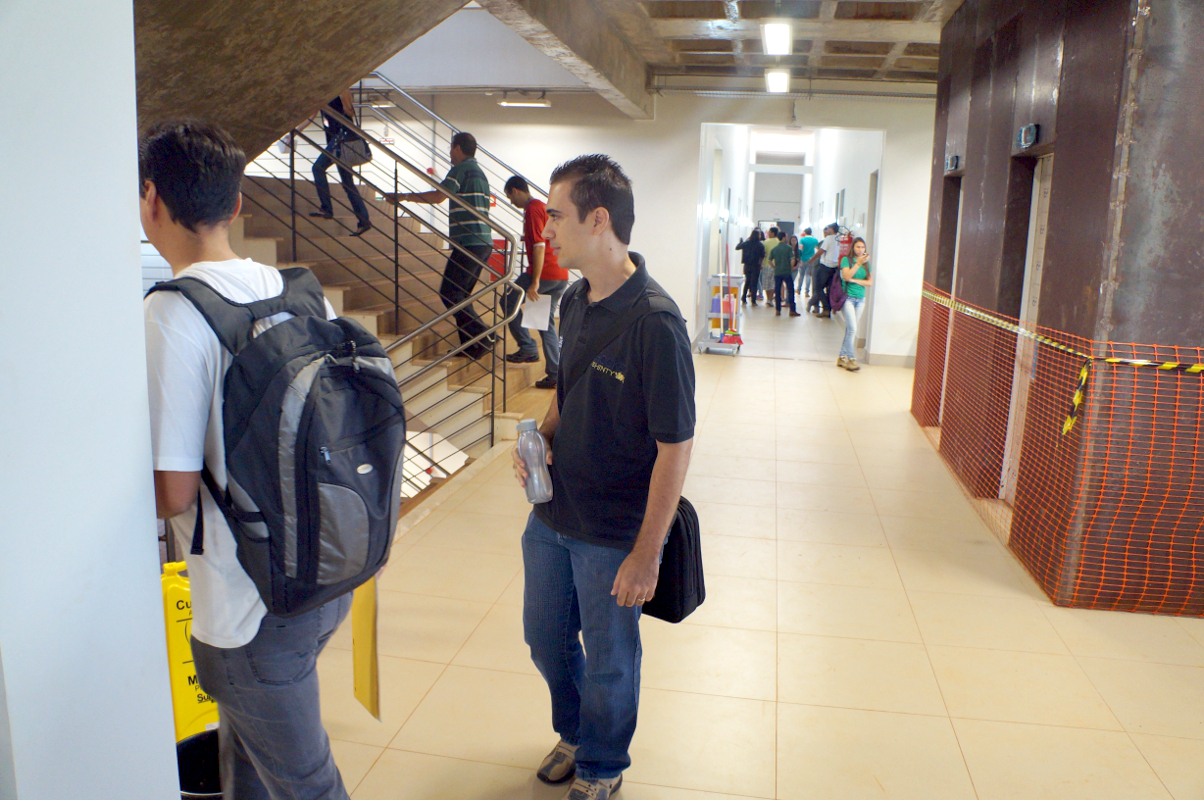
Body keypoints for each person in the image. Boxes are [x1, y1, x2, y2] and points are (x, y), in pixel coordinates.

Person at [141, 121, 351, 799]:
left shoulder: (173, 314)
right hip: (322, 573)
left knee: (306, 784)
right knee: (250, 768)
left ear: (150, 200)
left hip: (245, 607)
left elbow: (173, 493)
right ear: (237, 206)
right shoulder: (295, 288)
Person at [512, 154, 695, 800]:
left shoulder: (655, 323)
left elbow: (676, 446)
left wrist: (647, 555)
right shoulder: (572, 300)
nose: (546, 231)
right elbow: (567, 390)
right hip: (553, 514)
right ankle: (575, 730)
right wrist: (540, 436)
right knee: (544, 638)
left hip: (614, 531)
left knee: (612, 658)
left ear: (598, 220)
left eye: (555, 216)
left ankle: (602, 763)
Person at [390, 132, 494, 358]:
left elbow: (439, 196)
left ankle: (482, 337)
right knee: (460, 295)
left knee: (450, 293)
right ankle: (472, 344)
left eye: (450, 149)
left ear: (457, 148)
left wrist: (405, 197)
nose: (449, 154)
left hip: (470, 241)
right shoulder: (479, 173)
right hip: (481, 241)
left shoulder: (461, 169)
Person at [502, 175, 569, 389]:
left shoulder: (532, 209)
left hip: (544, 274)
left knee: (507, 302)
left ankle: (528, 348)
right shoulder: (543, 207)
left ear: (516, 190)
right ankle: (555, 373)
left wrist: (535, 282)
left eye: (510, 197)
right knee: (543, 323)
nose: (512, 202)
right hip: (559, 273)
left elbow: (539, 246)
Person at [310, 88, 372, 236]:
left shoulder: (341, 89)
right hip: (334, 141)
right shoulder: (322, 93)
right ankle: (364, 221)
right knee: (347, 183)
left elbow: (350, 113)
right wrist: (292, 133)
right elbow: (310, 116)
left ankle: (327, 208)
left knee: (318, 168)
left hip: (341, 139)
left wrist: (346, 105)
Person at [837, 236, 873, 371]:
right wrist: (858, 263)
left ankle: (841, 357)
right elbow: (846, 276)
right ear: (853, 248)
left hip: (861, 299)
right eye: (858, 247)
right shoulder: (847, 260)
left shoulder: (867, 264)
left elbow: (870, 283)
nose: (860, 249)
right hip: (848, 298)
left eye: (863, 247)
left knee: (850, 329)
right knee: (852, 329)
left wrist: (855, 280)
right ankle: (851, 359)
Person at [810, 223, 841, 318]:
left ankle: (826, 308)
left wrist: (812, 259)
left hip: (825, 266)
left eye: (828, 229)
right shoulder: (840, 238)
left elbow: (821, 251)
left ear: (832, 229)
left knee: (818, 288)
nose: (827, 231)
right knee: (829, 289)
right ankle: (828, 310)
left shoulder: (829, 238)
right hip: (836, 268)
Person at [771, 230, 800, 317]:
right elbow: (792, 259)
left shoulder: (774, 249)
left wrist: (774, 267)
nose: (787, 238)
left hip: (777, 273)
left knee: (777, 290)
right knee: (790, 290)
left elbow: (769, 260)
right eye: (786, 236)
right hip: (787, 272)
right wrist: (791, 268)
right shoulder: (788, 248)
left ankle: (778, 310)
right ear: (783, 238)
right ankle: (792, 310)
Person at [736, 228, 765, 305]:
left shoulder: (746, 243)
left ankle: (743, 297)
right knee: (754, 283)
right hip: (756, 265)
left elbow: (737, 247)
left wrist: (741, 242)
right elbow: (762, 256)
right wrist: (761, 264)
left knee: (747, 282)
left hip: (747, 265)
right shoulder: (760, 245)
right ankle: (753, 301)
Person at [796, 227, 819, 298]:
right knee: (808, 275)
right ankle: (807, 292)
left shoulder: (802, 240)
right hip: (811, 259)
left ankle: (799, 289)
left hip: (803, 259)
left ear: (805, 232)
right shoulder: (815, 240)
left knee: (801, 275)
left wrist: (799, 259)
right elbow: (818, 248)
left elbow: (800, 249)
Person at [762, 226, 781, 305]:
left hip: (767, 264)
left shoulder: (766, 242)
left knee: (767, 283)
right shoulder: (779, 242)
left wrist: (762, 263)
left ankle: (768, 299)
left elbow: (764, 254)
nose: (768, 234)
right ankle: (771, 298)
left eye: (769, 232)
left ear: (773, 233)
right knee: (773, 283)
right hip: (777, 265)